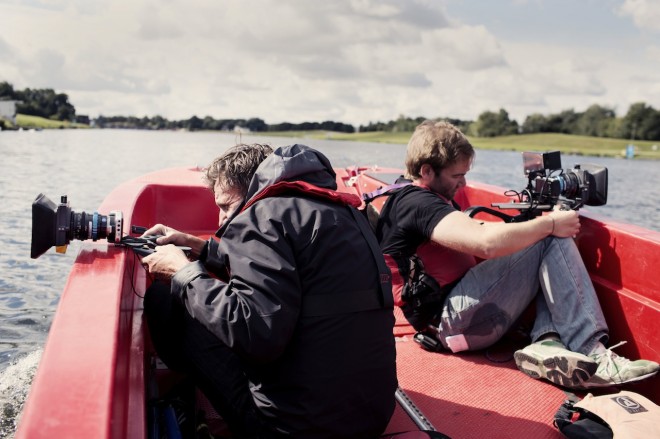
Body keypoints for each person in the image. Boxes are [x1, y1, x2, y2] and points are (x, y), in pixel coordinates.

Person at [375, 120, 659, 389]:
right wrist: (548, 223)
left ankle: (546, 343)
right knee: (547, 237)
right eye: (457, 175)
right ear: (426, 171)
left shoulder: (409, 194)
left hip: (453, 322)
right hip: (451, 324)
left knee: (539, 237)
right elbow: (485, 243)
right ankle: (592, 354)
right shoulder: (417, 203)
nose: (462, 184)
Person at [141, 143, 397, 438]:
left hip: (290, 428)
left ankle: (181, 394)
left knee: (165, 300)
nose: (220, 221)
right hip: (371, 417)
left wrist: (184, 273)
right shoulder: (343, 212)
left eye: (225, 207)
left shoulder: (258, 216)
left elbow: (255, 334)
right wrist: (206, 250)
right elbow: (293, 275)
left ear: (254, 189)